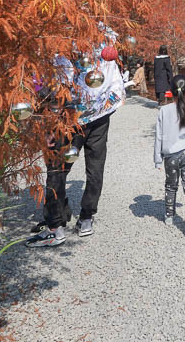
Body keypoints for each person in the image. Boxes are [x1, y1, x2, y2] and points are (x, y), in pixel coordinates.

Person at [27, 44, 126, 247]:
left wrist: (49, 126)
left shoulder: (61, 49)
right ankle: (86, 219)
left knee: (57, 168)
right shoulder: (103, 48)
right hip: (99, 115)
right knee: (95, 167)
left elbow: (51, 92)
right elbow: (116, 88)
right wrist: (100, 109)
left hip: (67, 119)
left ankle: (55, 227)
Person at [155, 74, 185, 239]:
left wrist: (157, 158)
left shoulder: (164, 110)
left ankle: (169, 215)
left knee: (171, 185)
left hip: (170, 155)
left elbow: (159, 136)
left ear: (170, 91)